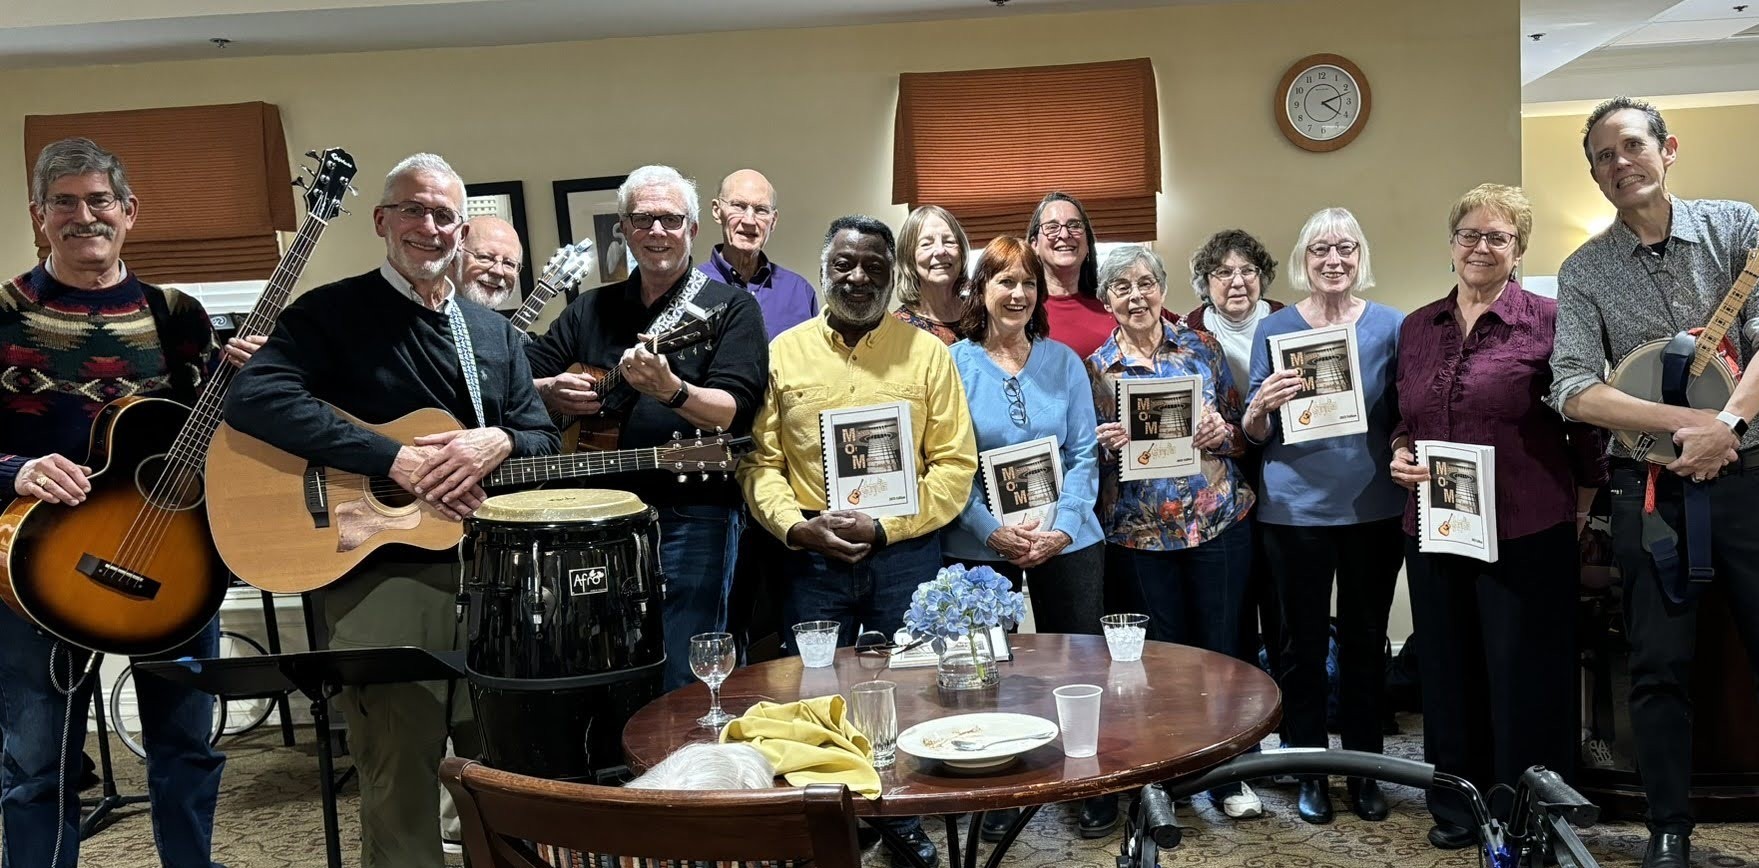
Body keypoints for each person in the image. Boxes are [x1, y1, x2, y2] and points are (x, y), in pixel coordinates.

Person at [225, 152, 558, 868]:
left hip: (488, 573)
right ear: (381, 221)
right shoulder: (330, 313)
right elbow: (254, 397)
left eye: (445, 215)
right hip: (376, 571)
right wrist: (393, 460)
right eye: (414, 209)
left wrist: (500, 438)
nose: (430, 226)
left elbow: (542, 437)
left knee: (499, 771)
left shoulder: (494, 335)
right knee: (398, 773)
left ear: (461, 234)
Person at [0, 136, 228, 868]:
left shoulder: (179, 316)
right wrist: (17, 468)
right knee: (37, 762)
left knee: (187, 743)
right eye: (64, 203)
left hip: (171, 558)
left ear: (129, 212)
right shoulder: (2, 315)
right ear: (40, 216)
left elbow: (215, 438)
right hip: (34, 565)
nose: (83, 216)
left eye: (99, 200)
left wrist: (248, 384)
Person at [1547, 97, 1759, 868]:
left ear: (1667, 149)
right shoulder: (1583, 270)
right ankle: (1667, 829)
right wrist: (1681, 424)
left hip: (1748, 478)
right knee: (1656, 665)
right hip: (1647, 491)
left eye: (1630, 146)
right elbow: (1571, 386)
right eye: (1601, 156)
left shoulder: (1738, 228)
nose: (1617, 164)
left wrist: (1724, 428)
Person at [739, 215, 975, 868]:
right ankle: (833, 829)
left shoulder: (927, 355)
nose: (859, 276)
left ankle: (910, 825)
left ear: (890, 273)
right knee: (817, 694)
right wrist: (794, 526)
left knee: (915, 692)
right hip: (809, 555)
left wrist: (885, 525)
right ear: (824, 269)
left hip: (905, 554)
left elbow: (954, 466)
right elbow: (759, 464)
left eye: (874, 265)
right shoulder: (779, 354)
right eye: (845, 263)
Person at [1390, 183, 1608, 851]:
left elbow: (1586, 428)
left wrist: (1578, 508)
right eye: (1469, 234)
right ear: (1451, 243)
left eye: (1497, 237)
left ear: (1518, 250)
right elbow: (1404, 421)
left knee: (1526, 675)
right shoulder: (1416, 326)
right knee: (1448, 672)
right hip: (1435, 525)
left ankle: (1530, 813)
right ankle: (1458, 807)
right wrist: (1398, 454)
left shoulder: (1549, 319)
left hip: (1525, 525)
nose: (1480, 247)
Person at [525, 165, 768, 692]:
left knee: (686, 658)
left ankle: (686, 768)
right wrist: (549, 389)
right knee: (606, 655)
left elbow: (734, 410)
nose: (657, 231)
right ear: (624, 228)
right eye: (643, 219)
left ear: (693, 229)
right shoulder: (590, 308)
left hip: (693, 509)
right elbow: (517, 373)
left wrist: (671, 392)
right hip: (597, 513)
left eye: (670, 220)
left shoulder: (729, 308)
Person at [1089, 245, 1262, 822]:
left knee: (1224, 652)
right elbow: (1084, 463)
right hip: (1139, 536)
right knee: (1158, 663)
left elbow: (1245, 434)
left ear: (1163, 289)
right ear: (1106, 299)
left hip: (1216, 521)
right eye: (1122, 288)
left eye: (1146, 283)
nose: (1136, 296)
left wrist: (1222, 433)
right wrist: (1106, 447)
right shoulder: (1096, 370)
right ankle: (1169, 776)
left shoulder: (1202, 347)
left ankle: (1233, 773)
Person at [1243, 207, 1404, 826]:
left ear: (1360, 257)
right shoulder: (1275, 328)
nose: (1332, 260)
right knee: (1299, 646)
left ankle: (1367, 771)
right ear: (1303, 261)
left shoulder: (1391, 326)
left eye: (1344, 249)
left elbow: (1403, 418)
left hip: (1372, 508)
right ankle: (1308, 767)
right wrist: (1262, 403)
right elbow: (1252, 432)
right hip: (1293, 510)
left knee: (1366, 642)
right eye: (1319, 251)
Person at [943, 236, 1106, 840]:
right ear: (980, 291)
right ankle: (996, 786)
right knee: (989, 671)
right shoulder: (953, 364)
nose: (1017, 294)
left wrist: (1062, 527)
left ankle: (1089, 782)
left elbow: (1085, 454)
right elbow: (948, 462)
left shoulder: (1063, 361)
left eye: (1028, 283)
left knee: (1081, 665)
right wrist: (992, 530)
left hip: (1070, 537)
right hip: (980, 542)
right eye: (1004, 281)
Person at [1184, 229, 1288, 684]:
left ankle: (1288, 713)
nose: (1236, 281)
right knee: (1235, 601)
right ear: (1206, 282)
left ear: (1263, 277)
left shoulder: (1287, 321)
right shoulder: (1188, 331)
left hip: (1282, 469)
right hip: (1221, 477)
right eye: (1222, 272)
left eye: (1247, 270)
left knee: (1282, 598)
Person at [697, 168, 818, 340]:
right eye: (738, 206)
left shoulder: (799, 292)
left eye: (761, 210)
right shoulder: (691, 287)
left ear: (773, 221)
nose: (749, 220)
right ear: (717, 211)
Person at [892, 205, 971, 344]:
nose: (940, 250)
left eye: (949, 241)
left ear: (962, 252)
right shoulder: (897, 329)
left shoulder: (982, 313)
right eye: (926, 244)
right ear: (909, 257)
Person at [456, 215, 525, 309]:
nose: (498, 271)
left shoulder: (500, 323)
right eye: (485, 257)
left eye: (509, 264)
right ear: (454, 255)